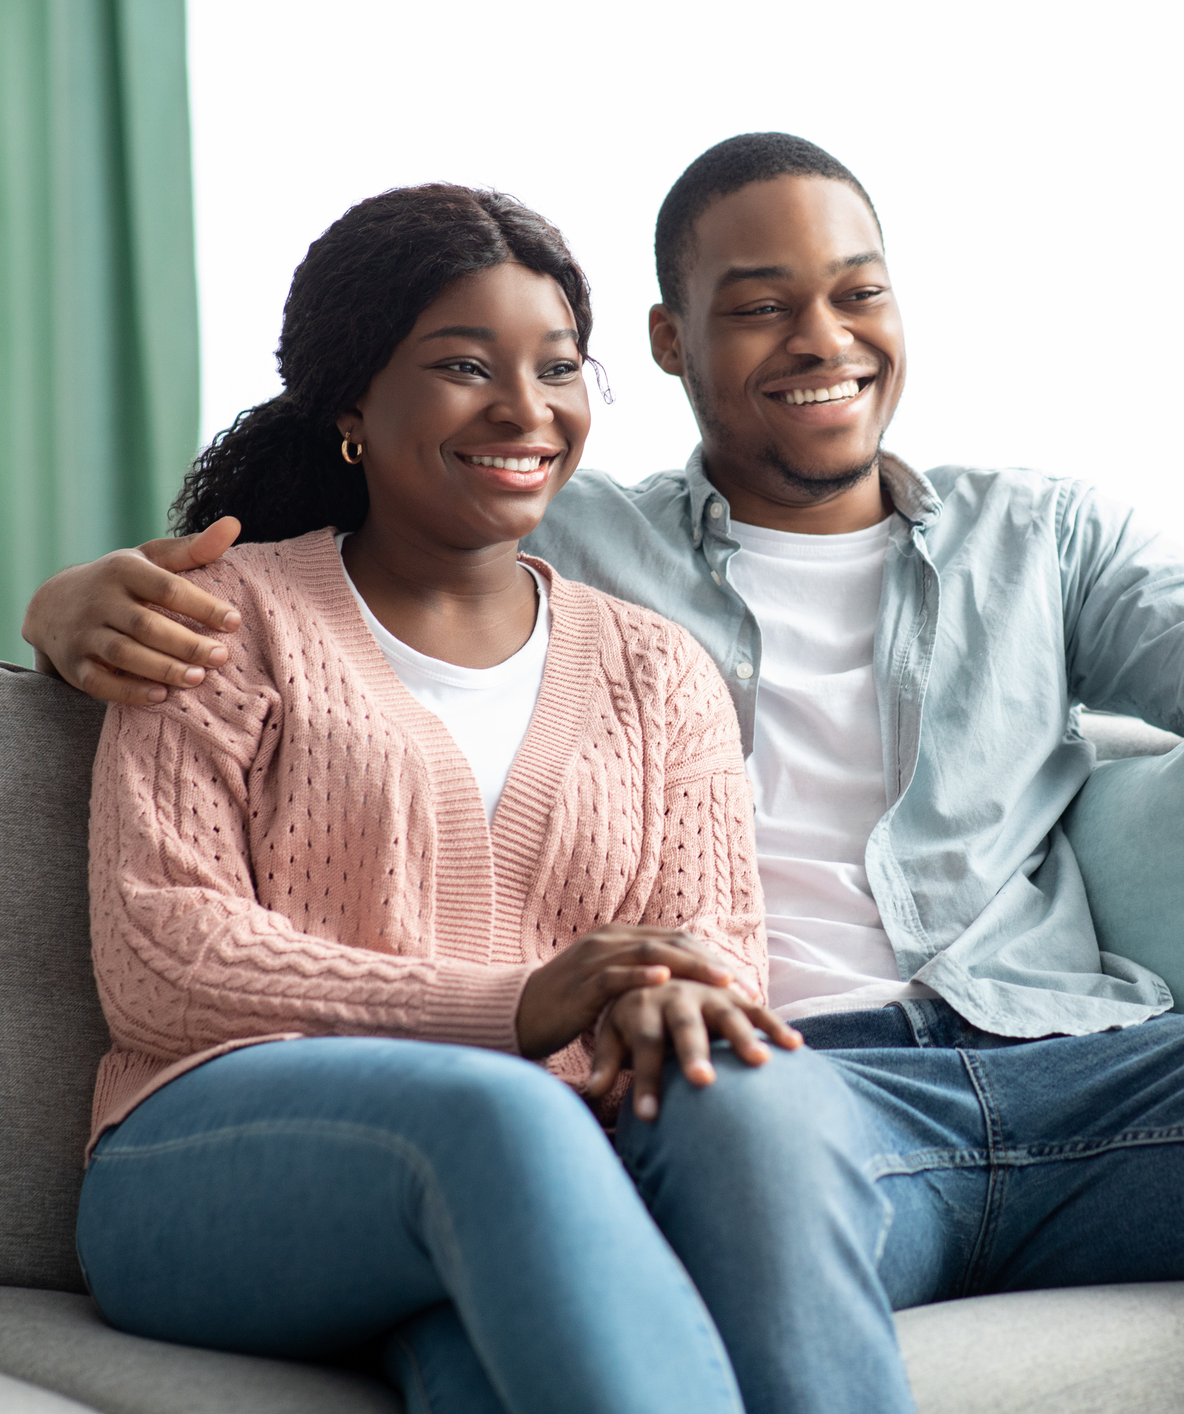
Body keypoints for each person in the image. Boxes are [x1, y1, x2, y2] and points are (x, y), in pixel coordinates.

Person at [33, 137, 1184, 1414]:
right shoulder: (557, 542)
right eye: (761, 303)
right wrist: (55, 613)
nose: (823, 340)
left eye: (856, 292)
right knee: (689, 1116)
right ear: (673, 341)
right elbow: (312, 605)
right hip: (780, 1088)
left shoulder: (1003, 544)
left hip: (1070, 1055)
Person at [75, 182, 800, 1414]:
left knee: (495, 1364)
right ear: (355, 400)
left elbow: (714, 960)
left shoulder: (659, 671)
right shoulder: (219, 614)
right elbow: (161, 952)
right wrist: (511, 1004)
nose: (526, 409)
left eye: (559, 367)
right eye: (467, 366)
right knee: (495, 1117)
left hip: (523, 1185)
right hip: (204, 1167)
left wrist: (664, 998)